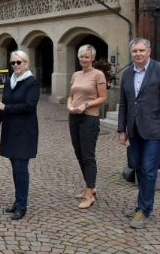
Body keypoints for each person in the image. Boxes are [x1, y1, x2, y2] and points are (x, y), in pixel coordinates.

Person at [118, 37, 160, 229]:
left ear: (149, 51)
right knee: (136, 166)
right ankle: (140, 205)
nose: (138, 54)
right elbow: (124, 104)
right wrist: (122, 129)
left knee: (148, 168)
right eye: (135, 51)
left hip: (155, 130)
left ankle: (144, 210)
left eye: (141, 51)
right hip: (134, 130)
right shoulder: (127, 74)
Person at [0, 50, 40, 220]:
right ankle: (17, 200)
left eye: (18, 62)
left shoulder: (32, 83)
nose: (15, 65)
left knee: (21, 168)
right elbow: (4, 102)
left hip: (24, 131)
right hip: (10, 129)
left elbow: (29, 106)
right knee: (15, 168)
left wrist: (5, 109)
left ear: (26, 64)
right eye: (13, 63)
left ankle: (22, 205)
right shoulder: (9, 81)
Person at [66, 45, 107, 209]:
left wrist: (86, 105)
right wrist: (69, 105)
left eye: (87, 57)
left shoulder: (98, 75)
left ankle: (90, 194)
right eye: (81, 56)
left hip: (89, 118)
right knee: (79, 153)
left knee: (88, 156)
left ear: (92, 59)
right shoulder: (76, 75)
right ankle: (88, 186)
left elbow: (103, 97)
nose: (84, 59)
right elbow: (71, 95)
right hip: (73, 117)